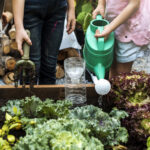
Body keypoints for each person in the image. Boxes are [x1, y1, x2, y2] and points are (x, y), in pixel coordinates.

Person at [12, 0, 76, 84]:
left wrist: (71, 7)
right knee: (31, 66)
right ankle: (27, 96)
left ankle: (47, 96)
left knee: (50, 66)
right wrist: (19, 27)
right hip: (31, 9)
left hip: (57, 9)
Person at [92, 0, 150, 78]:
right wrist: (101, 4)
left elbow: (134, 5)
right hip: (114, 21)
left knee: (121, 72)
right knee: (112, 64)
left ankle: (121, 87)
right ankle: (112, 87)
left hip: (131, 25)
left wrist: (110, 28)